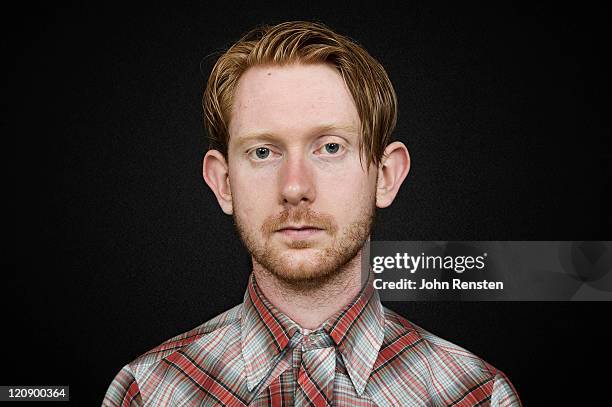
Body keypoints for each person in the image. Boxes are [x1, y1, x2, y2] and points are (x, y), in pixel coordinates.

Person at [104, 21, 521, 406]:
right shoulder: (147, 391)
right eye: (263, 152)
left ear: (386, 176)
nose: (295, 188)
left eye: (331, 147)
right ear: (223, 182)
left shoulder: (476, 395)